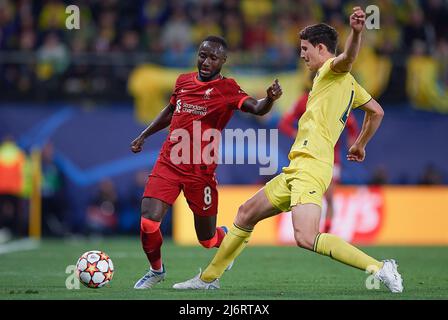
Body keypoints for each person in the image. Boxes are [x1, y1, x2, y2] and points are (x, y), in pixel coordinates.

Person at [173, 8, 403, 293]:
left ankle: (381, 268)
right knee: (246, 213)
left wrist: (356, 32)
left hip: (311, 166)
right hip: (297, 167)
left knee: (306, 237)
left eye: (305, 49)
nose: (302, 55)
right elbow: (376, 112)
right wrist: (360, 144)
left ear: (321, 49)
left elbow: (348, 58)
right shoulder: (348, 84)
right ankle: (208, 279)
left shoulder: (332, 70)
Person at [130, 35, 282, 289]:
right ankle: (156, 270)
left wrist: (270, 99)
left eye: (213, 57)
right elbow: (170, 110)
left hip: (200, 173)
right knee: (148, 221)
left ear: (223, 61)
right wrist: (143, 135)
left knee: (207, 240)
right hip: (168, 163)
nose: (206, 61)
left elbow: (256, 108)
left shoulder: (228, 89)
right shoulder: (183, 82)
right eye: (203, 55)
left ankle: (224, 239)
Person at [279, 85, 359, 233]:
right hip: (307, 156)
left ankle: (325, 230)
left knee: (328, 196)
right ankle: (309, 231)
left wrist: (354, 142)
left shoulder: (335, 101)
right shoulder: (303, 101)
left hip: (330, 158)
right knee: (307, 195)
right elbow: (284, 123)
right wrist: (297, 134)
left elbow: (352, 125)